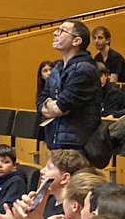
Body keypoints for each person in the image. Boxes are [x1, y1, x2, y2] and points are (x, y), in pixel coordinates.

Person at [38, 20, 102, 152]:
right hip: (57, 138)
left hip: (76, 143)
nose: (55, 33)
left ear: (76, 41)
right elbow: (41, 99)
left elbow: (61, 107)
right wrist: (50, 105)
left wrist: (51, 105)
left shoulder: (84, 69)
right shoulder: (58, 68)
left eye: (62, 31)